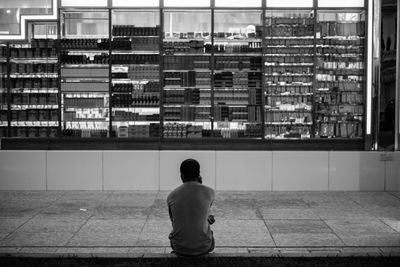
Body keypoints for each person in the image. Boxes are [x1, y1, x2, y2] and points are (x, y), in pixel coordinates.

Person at [167, 159, 215, 256]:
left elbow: (174, 221)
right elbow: (202, 213)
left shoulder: (171, 196)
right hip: (203, 247)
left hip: (179, 247)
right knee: (210, 233)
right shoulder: (210, 192)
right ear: (199, 174)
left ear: (182, 175)